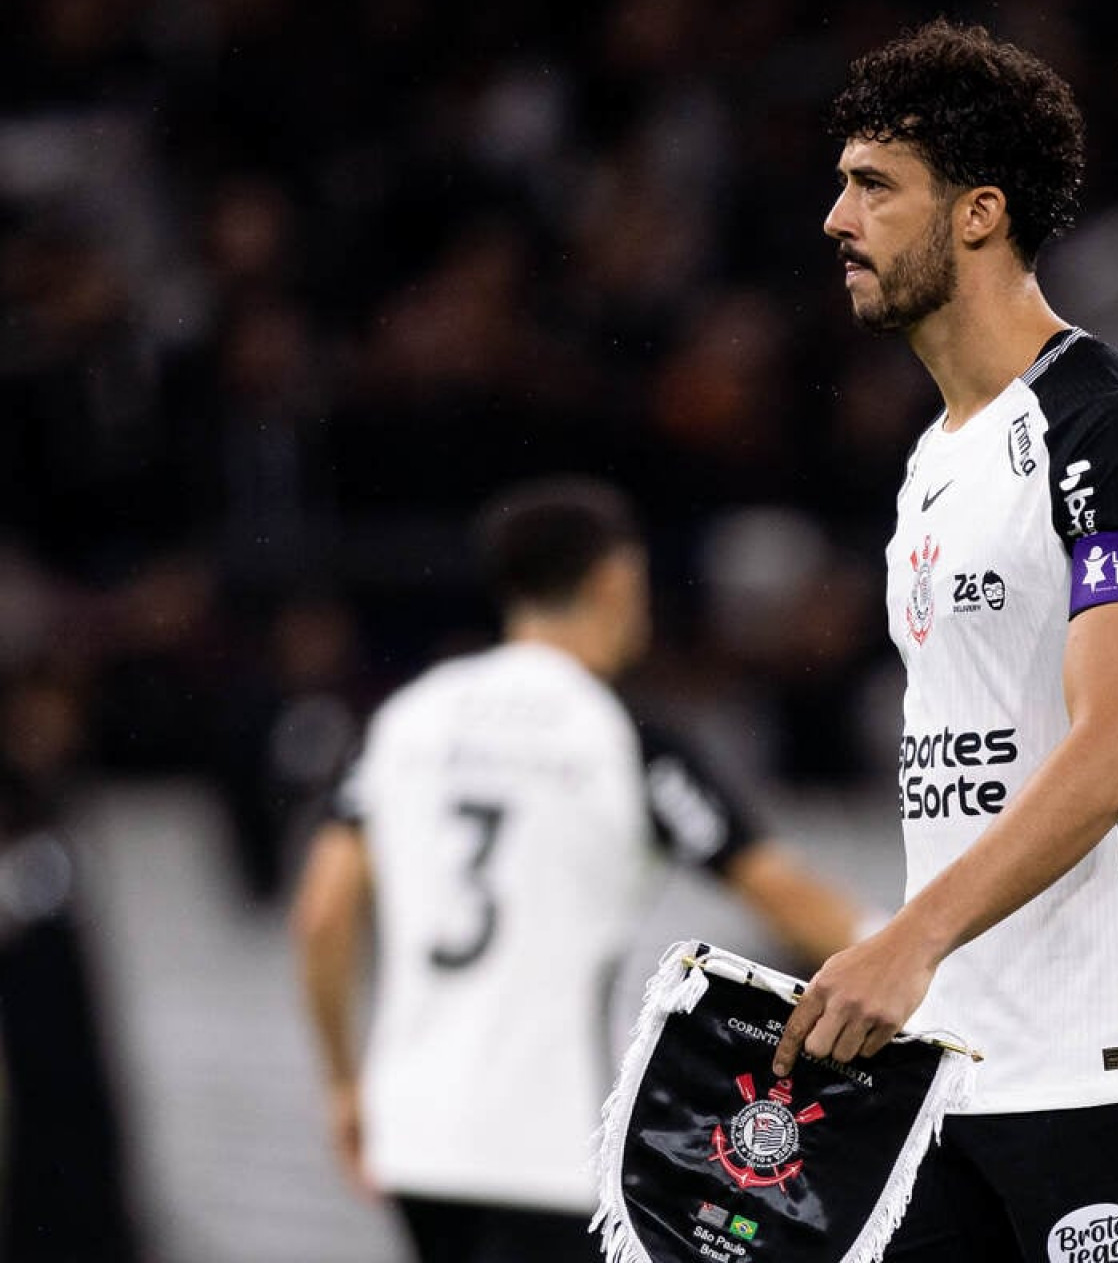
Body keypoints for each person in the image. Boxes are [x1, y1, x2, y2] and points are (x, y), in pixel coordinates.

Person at [772, 18, 1118, 1263]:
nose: (837, 219)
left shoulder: (1112, 430)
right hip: (957, 1073)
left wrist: (908, 937)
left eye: (874, 186)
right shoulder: (932, 460)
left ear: (979, 213)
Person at [293, 475, 869, 1263]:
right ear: (615, 581)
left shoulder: (405, 720)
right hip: (554, 1140)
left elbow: (323, 913)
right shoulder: (623, 739)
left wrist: (341, 1083)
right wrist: (909, 953)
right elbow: (781, 892)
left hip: (416, 1130)